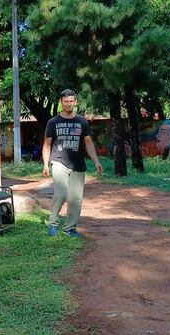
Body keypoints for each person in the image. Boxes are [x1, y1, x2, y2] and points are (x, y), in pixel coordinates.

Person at [42, 89, 103, 238]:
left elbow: (88, 143)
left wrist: (96, 161)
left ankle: (69, 228)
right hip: (59, 162)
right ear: (61, 102)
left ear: (75, 102)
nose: (68, 104)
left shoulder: (82, 121)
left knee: (76, 198)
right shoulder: (53, 122)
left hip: (78, 164)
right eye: (65, 101)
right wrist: (45, 164)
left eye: (71, 101)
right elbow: (47, 144)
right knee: (61, 194)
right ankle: (53, 223)